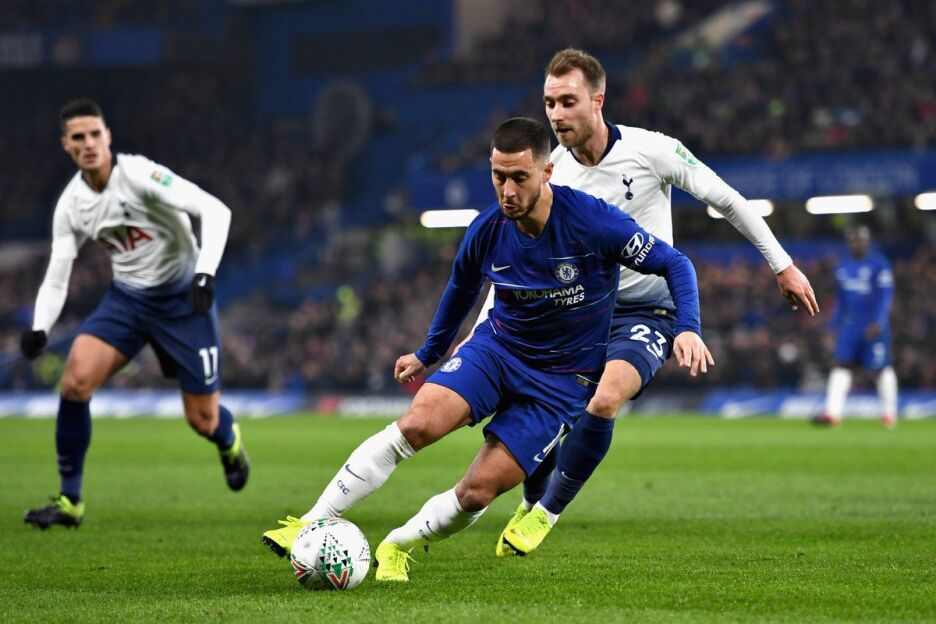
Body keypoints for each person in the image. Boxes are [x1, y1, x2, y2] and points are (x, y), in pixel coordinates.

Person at [260, 117, 713, 582]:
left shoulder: (593, 222)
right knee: (416, 425)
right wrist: (428, 352)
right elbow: (460, 289)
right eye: (499, 176)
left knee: (477, 492)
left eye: (519, 177)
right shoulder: (488, 228)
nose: (507, 191)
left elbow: (675, 263)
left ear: (547, 172)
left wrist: (688, 328)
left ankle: (398, 544)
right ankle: (309, 521)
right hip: (498, 351)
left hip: (561, 383)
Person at [481, 49, 820, 556]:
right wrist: (482, 328)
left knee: (605, 399)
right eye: (549, 103)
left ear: (598, 100)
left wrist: (782, 264)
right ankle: (531, 499)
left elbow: (727, 199)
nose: (556, 114)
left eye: (568, 101)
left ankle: (546, 514)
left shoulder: (651, 150)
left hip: (647, 310)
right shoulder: (550, 174)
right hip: (578, 313)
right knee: (545, 411)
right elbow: (515, 259)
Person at [22, 99, 249, 530]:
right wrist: (39, 327)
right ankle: (70, 501)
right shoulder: (71, 204)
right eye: (78, 137)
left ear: (108, 136)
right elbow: (57, 275)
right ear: (66, 144)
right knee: (74, 382)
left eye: (95, 134)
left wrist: (205, 274)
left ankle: (229, 440)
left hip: (182, 301)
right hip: (128, 300)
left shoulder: (140, 175)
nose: (89, 143)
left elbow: (215, 210)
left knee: (203, 420)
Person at [815, 224, 897, 428]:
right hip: (850, 327)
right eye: (853, 240)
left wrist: (878, 320)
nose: (857, 243)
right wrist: (833, 327)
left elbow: (885, 297)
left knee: (880, 368)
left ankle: (889, 414)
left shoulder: (879, 266)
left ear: (868, 241)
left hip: (873, 326)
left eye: (861, 240)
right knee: (842, 365)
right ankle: (832, 414)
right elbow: (840, 302)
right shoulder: (843, 268)